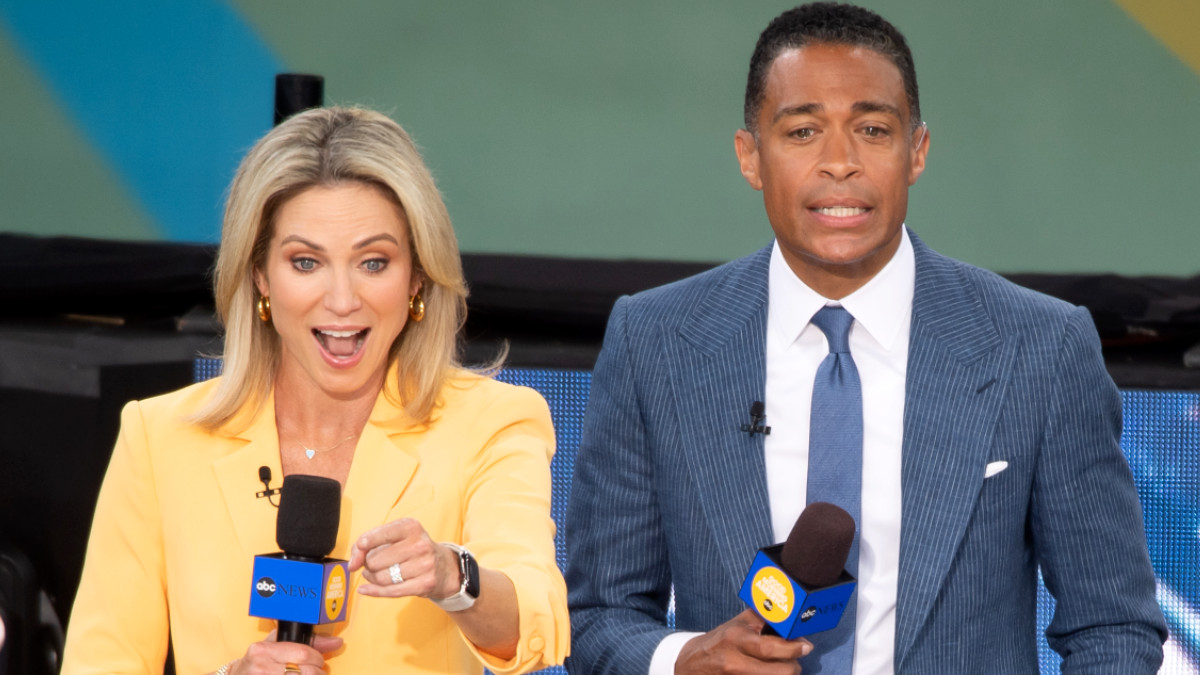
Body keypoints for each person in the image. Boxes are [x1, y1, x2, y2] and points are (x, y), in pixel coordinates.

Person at [564, 3, 1166, 674]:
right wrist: (681, 657)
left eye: (872, 129)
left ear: (917, 151)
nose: (840, 163)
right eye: (802, 131)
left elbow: (1113, 626)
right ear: (749, 156)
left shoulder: (1041, 347)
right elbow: (597, 616)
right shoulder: (656, 342)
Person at [61, 106, 568, 674]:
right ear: (259, 276)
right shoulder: (159, 438)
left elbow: (534, 624)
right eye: (306, 262)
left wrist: (454, 576)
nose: (343, 300)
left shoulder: (492, 421)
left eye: (373, 262)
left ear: (417, 277)